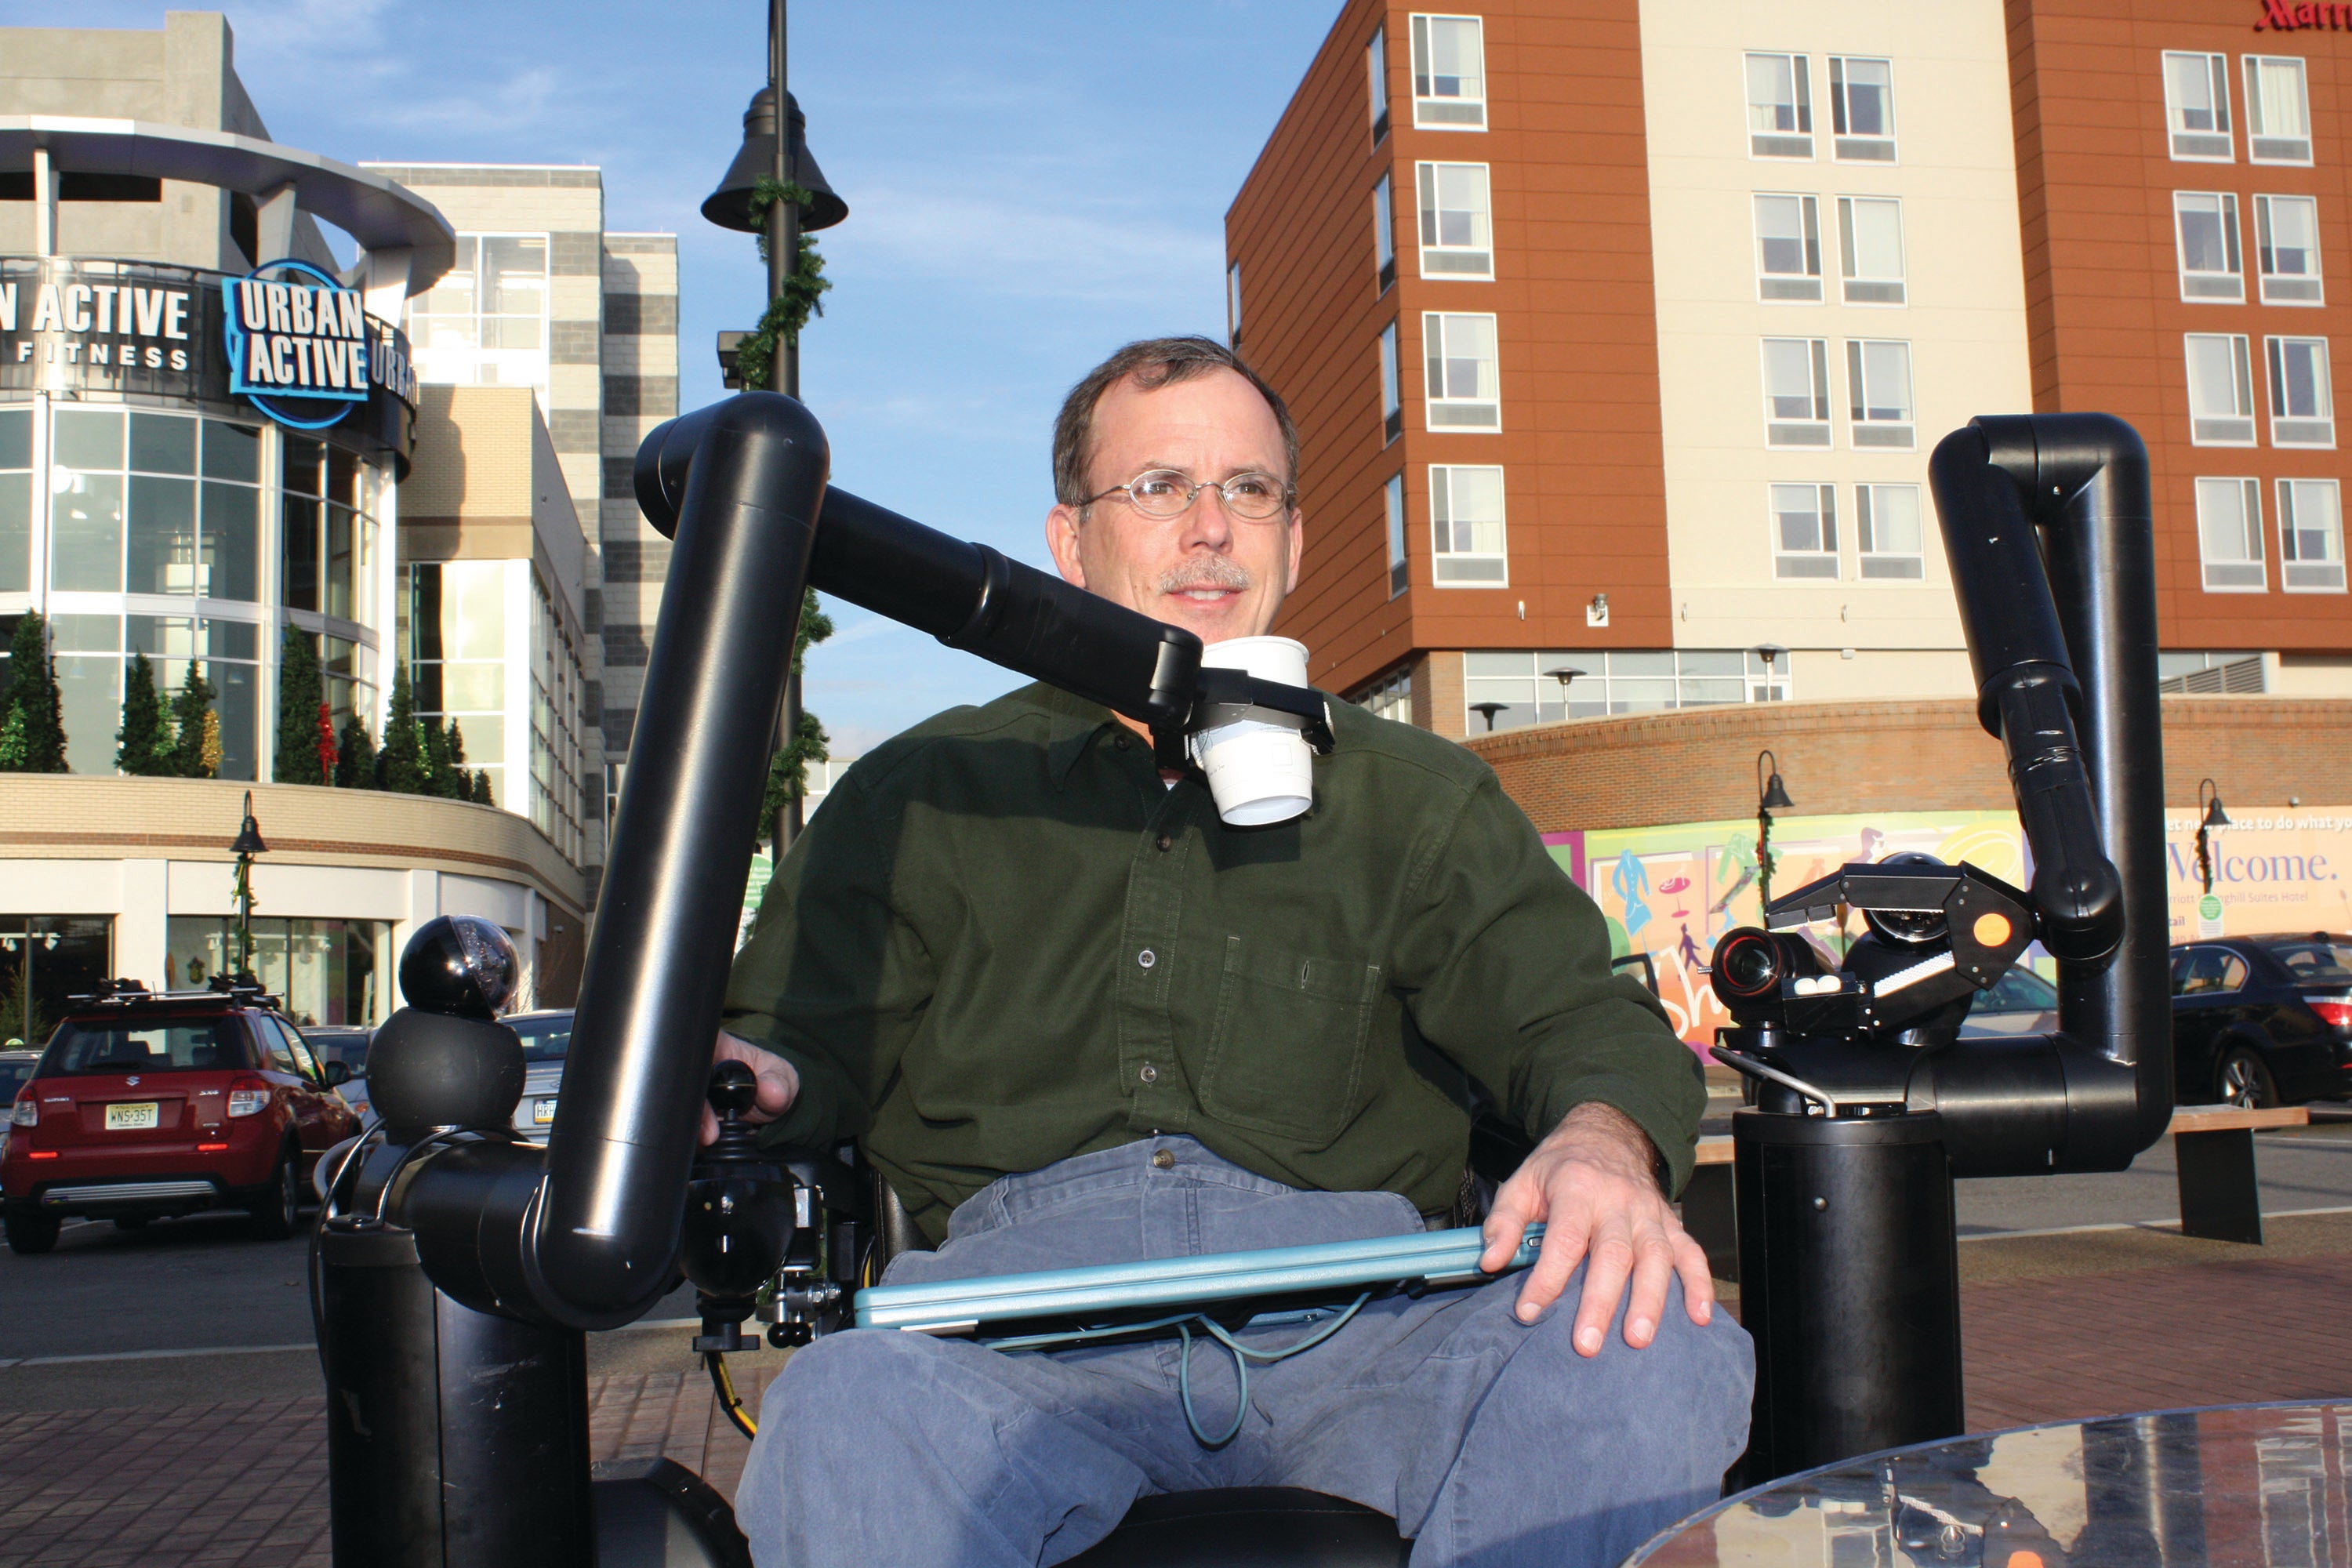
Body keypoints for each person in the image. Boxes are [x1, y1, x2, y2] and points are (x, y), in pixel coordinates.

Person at [713, 337, 1752, 1568]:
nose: (1210, 528)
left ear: (1295, 542)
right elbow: (790, 1037)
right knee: (838, 1411)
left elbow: (1579, 1020)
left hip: (1372, 1325)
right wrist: (748, 1077)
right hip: (1011, 1351)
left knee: (1655, 1338)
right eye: (1157, 487)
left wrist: (1600, 1140)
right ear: (1068, 542)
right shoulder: (924, 794)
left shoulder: (1419, 801)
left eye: (1247, 490)